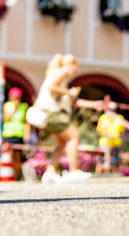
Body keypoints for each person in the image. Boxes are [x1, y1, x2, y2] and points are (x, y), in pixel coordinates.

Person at [27, 54, 100, 183]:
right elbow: (51, 87)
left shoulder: (61, 81)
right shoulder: (60, 72)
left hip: (43, 116)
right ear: (71, 65)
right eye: (75, 69)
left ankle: (50, 173)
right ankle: (73, 171)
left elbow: (73, 102)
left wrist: (94, 104)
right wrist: (69, 92)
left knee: (61, 143)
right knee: (74, 136)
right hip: (50, 113)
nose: (75, 73)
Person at [95, 96, 126, 173]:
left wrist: (116, 135)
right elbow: (98, 131)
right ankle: (97, 176)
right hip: (104, 145)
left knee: (115, 163)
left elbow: (122, 132)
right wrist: (106, 135)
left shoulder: (120, 118)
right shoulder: (103, 118)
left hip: (115, 145)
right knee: (101, 162)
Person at [2, 87, 29, 173]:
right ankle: (9, 175)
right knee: (9, 156)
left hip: (19, 134)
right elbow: (7, 118)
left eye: (18, 98)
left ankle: (15, 176)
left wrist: (27, 133)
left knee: (17, 157)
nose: (16, 99)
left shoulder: (24, 106)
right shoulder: (7, 106)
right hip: (8, 134)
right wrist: (14, 109)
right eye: (14, 98)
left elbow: (26, 122)